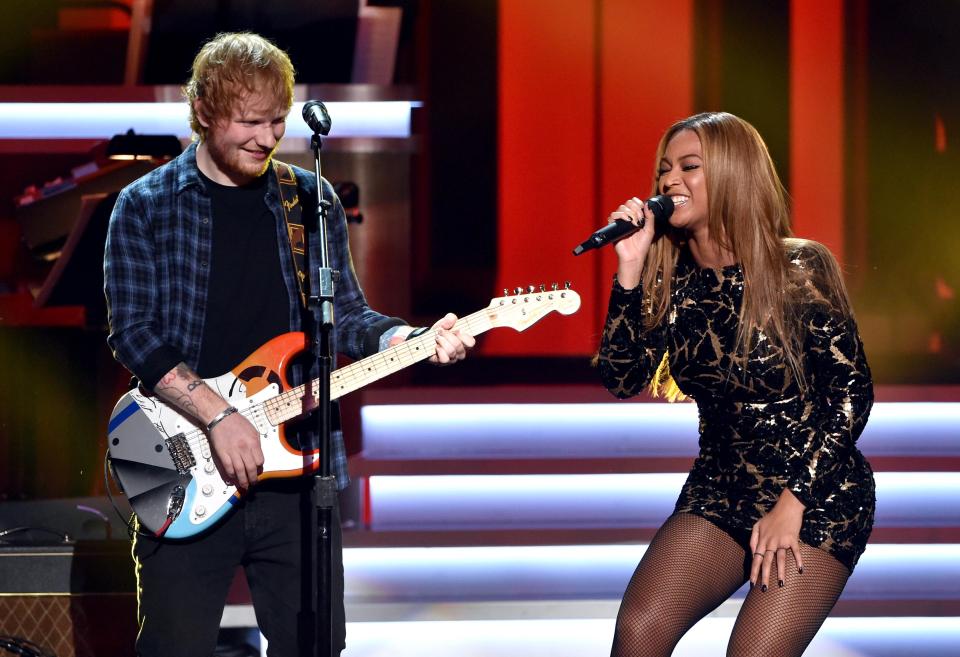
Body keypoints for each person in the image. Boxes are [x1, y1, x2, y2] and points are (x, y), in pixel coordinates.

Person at [103, 32, 475, 657]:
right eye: (249, 122)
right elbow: (134, 333)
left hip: (299, 475)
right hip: (185, 459)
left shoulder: (311, 199)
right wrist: (219, 417)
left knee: (315, 646)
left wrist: (409, 337)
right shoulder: (144, 206)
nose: (266, 137)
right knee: (173, 646)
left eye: (277, 121)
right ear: (204, 113)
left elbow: (346, 316)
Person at [596, 112, 874, 657]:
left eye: (690, 167)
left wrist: (792, 503)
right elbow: (622, 379)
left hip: (817, 493)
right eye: (664, 170)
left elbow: (849, 393)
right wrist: (629, 270)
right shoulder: (670, 281)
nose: (669, 181)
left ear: (732, 174)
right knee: (639, 632)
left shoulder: (797, 267)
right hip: (720, 490)